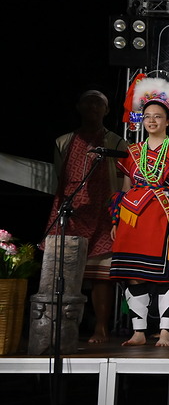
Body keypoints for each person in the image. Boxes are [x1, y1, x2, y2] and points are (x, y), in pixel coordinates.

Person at [110, 75, 169, 347]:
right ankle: (138, 332)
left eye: (158, 116)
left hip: (163, 218)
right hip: (132, 219)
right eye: (147, 116)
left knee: (163, 276)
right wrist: (116, 221)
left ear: (168, 121)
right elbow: (124, 189)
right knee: (134, 275)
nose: (152, 121)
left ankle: (166, 331)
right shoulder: (132, 151)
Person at [46, 90, 128, 343]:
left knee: (101, 276)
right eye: (88, 102)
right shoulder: (63, 141)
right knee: (63, 273)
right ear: (78, 107)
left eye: (98, 103)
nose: (93, 107)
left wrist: (118, 214)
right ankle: (60, 328)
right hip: (71, 213)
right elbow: (58, 177)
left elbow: (123, 180)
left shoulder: (116, 143)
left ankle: (101, 327)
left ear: (107, 110)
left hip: (103, 213)